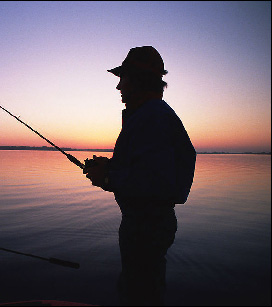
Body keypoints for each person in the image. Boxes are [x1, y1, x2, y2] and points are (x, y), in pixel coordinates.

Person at [83, 46, 196, 306]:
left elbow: (158, 182)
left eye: (123, 79)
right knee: (144, 289)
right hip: (147, 223)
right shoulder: (151, 115)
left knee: (139, 293)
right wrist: (110, 167)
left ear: (137, 80)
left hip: (146, 225)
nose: (118, 87)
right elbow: (148, 167)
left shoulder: (152, 117)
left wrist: (110, 179)